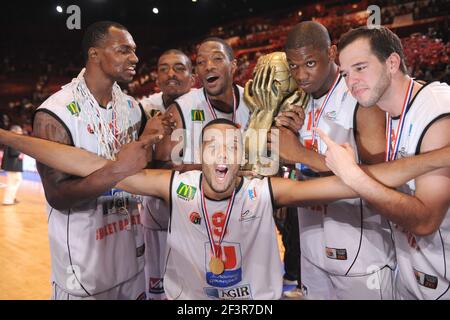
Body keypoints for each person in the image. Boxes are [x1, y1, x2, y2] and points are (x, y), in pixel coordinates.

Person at [1, 119, 449, 299]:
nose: (222, 153)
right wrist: (8, 138)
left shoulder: (263, 191)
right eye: (213, 144)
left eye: (232, 146)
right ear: (200, 152)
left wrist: (432, 159)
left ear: (242, 157)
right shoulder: (176, 185)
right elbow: (84, 162)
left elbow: (351, 183)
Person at [31, 21, 169, 299]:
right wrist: (117, 170)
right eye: (123, 50)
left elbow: (144, 172)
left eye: (135, 51)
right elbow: (57, 196)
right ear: (94, 54)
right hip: (83, 272)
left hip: (132, 260)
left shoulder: (132, 108)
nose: (135, 58)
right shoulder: (55, 113)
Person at [323, 26, 450, 300]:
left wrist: (353, 175)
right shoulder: (387, 111)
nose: (351, 81)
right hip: (411, 274)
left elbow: (426, 220)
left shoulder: (436, 108)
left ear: (392, 63)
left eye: (360, 67)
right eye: (345, 73)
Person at [277, 21, 394, 299]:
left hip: (361, 256)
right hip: (312, 249)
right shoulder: (300, 103)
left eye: (309, 63)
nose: (301, 74)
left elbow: (383, 176)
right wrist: (289, 153)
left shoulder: (361, 98)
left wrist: (301, 154)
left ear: (331, 53)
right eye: (293, 66)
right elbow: (301, 169)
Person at [153, 37, 304, 168]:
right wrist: (212, 169)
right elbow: (162, 168)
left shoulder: (258, 101)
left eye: (217, 58)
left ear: (233, 66)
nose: (208, 66)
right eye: (200, 62)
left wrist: (291, 130)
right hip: (200, 199)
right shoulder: (180, 110)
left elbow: (281, 158)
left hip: (250, 198)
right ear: (197, 72)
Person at [139, 49, 194, 299]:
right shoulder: (142, 109)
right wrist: (146, 138)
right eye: (164, 68)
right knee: (158, 290)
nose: (171, 73)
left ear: (192, 77)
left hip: (197, 214)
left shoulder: (207, 103)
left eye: (179, 67)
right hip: (157, 214)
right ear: (157, 78)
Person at [1, 125, 24, 205]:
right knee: (13, 182)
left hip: (12, 165)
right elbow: (13, 153)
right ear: (15, 131)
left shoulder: (10, 139)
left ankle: (12, 197)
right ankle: (8, 200)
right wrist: (20, 152)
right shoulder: (13, 139)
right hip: (13, 165)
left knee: (16, 181)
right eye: (20, 131)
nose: (21, 132)